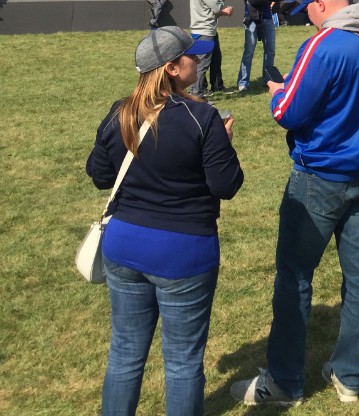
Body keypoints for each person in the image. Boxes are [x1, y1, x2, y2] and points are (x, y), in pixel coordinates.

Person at [230, 0, 359, 407]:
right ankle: (349, 375)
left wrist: (277, 91)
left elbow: (287, 111)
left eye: (308, 12)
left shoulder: (324, 44)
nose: (308, 21)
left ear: (319, 3)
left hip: (320, 175)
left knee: (295, 275)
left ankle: (283, 381)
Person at [86, 27, 243, 416]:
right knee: (183, 361)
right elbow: (227, 185)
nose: (199, 60)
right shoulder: (202, 117)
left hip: (124, 245)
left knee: (124, 351)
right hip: (183, 252)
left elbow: (99, 173)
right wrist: (223, 141)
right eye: (193, 56)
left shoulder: (120, 111)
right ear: (172, 68)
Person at [237, 0, 282, 93]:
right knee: (249, 51)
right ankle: (243, 82)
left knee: (270, 50)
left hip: (268, 18)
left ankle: (268, 80)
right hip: (252, 18)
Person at [189, 0, 233, 95]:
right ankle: (196, 93)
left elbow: (208, 10)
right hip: (204, 30)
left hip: (203, 29)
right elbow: (217, 7)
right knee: (201, 64)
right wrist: (220, 0)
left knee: (210, 61)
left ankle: (204, 89)